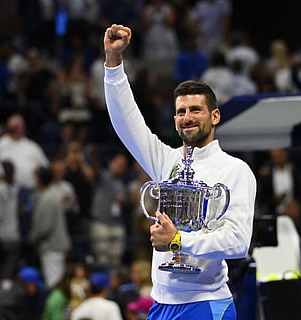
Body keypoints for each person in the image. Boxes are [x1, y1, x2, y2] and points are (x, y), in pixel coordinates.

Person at [104, 24, 256, 320]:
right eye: (181, 111)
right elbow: (126, 122)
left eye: (196, 110)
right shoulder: (166, 161)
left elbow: (238, 243)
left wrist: (178, 241)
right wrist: (113, 64)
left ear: (215, 116)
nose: (187, 118)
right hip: (161, 304)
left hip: (206, 303)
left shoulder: (235, 170)